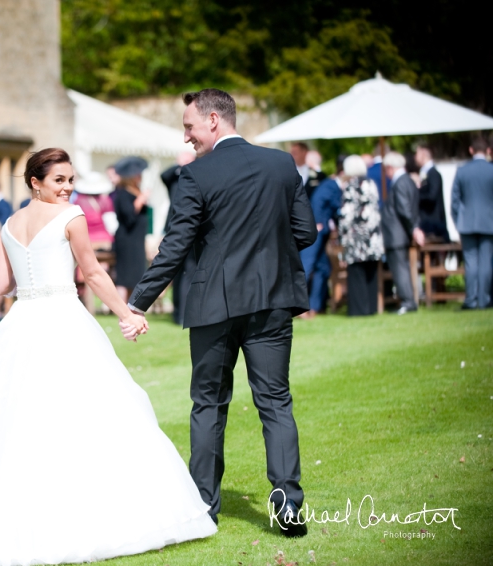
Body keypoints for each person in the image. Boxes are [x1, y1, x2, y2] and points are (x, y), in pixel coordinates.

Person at [0, 148, 216, 564]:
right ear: (35, 182)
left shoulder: (9, 224)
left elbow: (1, 285)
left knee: (19, 416)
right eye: (58, 180)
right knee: (84, 411)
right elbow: (93, 273)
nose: (68, 187)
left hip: (21, 321)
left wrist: (5, 260)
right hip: (61, 317)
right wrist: (127, 313)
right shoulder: (71, 217)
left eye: (70, 179)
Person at [127, 89, 316, 537]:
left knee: (208, 402)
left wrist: (137, 301)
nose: (187, 136)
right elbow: (304, 232)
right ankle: (288, 508)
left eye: (189, 126)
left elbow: (174, 248)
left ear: (214, 120)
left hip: (215, 303)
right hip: (272, 298)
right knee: (275, 402)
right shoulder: (281, 165)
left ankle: (204, 507)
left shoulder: (195, 175)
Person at [337, 155, 385, 316]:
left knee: (356, 274)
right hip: (373, 236)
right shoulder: (371, 183)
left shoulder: (351, 186)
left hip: (357, 239)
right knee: (371, 273)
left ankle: (359, 310)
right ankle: (371, 307)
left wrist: (342, 238)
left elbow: (346, 215)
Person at [299, 155, 344, 318]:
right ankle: (298, 308)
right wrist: (316, 222)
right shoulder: (332, 186)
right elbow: (320, 204)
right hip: (316, 230)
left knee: (322, 268)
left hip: (321, 231)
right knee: (306, 267)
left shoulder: (328, 184)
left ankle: (315, 307)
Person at [451, 138, 493, 309]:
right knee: (486, 262)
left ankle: (471, 299)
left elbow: (454, 201)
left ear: (471, 150)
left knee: (471, 263)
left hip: (467, 223)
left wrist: (458, 221)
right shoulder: (491, 170)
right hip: (489, 222)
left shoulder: (462, 171)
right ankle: (484, 300)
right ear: (488, 150)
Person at [381, 152, 424, 314]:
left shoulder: (399, 182)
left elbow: (405, 209)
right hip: (399, 233)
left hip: (396, 234)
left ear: (390, 167)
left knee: (400, 269)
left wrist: (414, 229)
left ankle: (408, 302)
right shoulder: (409, 181)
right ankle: (408, 301)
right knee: (401, 268)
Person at [161, 151, 196, 325]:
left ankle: (183, 313)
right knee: (178, 272)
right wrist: (180, 165)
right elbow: (164, 174)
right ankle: (179, 313)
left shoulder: (195, 174)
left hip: (189, 228)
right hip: (174, 227)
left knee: (188, 271)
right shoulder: (174, 177)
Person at [73, 171, 117, 314]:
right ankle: (109, 305)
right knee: (105, 274)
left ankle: (88, 305)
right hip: (104, 242)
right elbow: (111, 224)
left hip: (85, 241)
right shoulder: (105, 200)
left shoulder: (78, 201)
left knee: (85, 274)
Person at [111, 156, 149, 303]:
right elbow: (129, 217)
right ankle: (121, 306)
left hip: (137, 240)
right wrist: (139, 201)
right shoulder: (122, 194)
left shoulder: (136, 191)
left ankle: (133, 306)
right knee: (124, 276)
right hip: (126, 240)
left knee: (137, 275)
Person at [415, 144, 449, 242]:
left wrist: (416, 195)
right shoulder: (425, 173)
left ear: (423, 154)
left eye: (417, 154)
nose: (415, 157)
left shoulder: (433, 174)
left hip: (433, 223)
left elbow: (432, 196)